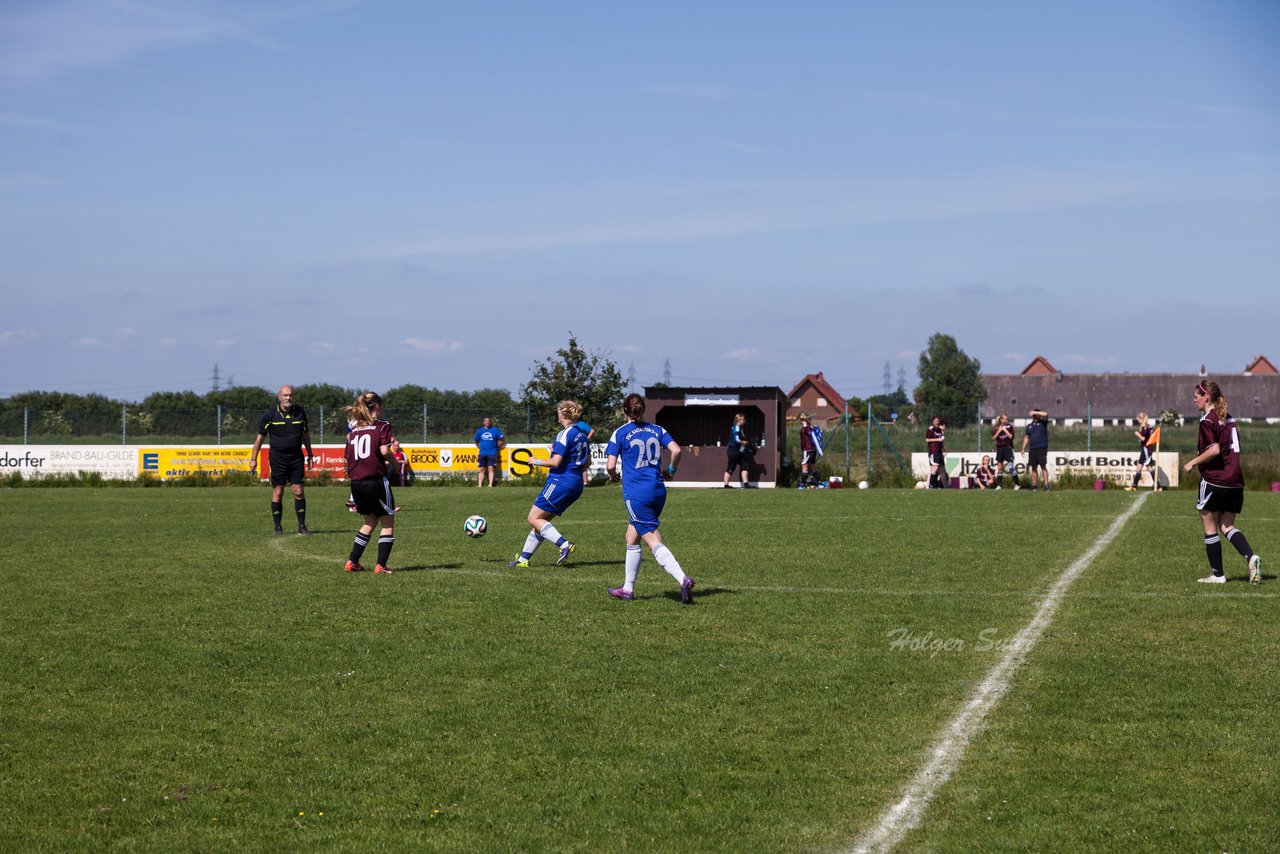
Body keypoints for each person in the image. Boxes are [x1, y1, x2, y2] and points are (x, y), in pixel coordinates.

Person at [605, 393, 695, 604]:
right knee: (632, 536)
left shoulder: (620, 433)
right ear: (643, 410)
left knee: (652, 540)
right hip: (657, 490)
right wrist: (671, 469)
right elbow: (676, 450)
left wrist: (612, 476)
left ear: (625, 411)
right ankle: (627, 589)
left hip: (637, 494)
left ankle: (682, 578)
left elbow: (610, 465)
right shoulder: (657, 430)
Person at [1183, 380, 1262, 584]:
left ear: (1206, 397)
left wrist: (1192, 462)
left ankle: (1217, 575)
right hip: (1235, 481)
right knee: (1227, 526)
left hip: (1214, 480)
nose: (1194, 400)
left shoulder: (1207, 421)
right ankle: (1251, 557)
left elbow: (1215, 450)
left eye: (1196, 396)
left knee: (1210, 528)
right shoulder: (1228, 418)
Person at [505, 401, 591, 568]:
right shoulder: (582, 435)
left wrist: (535, 461)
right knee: (541, 521)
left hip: (561, 482)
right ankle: (523, 559)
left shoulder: (565, 434)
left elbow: (556, 462)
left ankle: (564, 545)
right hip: (576, 484)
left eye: (558, 413)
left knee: (533, 518)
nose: (557, 417)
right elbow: (587, 463)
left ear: (563, 415)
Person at [342, 391, 398, 574]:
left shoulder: (354, 430)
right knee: (387, 522)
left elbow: (347, 456)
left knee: (369, 521)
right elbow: (383, 451)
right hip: (375, 480)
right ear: (377, 407)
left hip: (356, 482)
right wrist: (395, 462)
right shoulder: (382, 426)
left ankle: (352, 562)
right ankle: (381, 565)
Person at [249, 385, 314, 535]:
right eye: (285, 395)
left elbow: (305, 435)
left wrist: (310, 454)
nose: (288, 398)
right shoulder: (270, 414)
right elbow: (259, 438)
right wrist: (253, 459)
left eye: (290, 395)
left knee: (298, 490)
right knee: (278, 491)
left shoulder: (300, 413)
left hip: (296, 457)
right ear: (279, 397)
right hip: (278, 458)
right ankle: (277, 527)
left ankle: (302, 526)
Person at [1021, 408, 1050, 491]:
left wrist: (1036, 411)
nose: (1035, 415)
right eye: (1034, 414)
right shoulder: (1029, 426)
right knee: (1033, 467)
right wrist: (1023, 448)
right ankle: (1034, 485)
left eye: (1037, 414)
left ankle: (1046, 485)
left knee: (1043, 466)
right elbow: (1026, 437)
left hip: (1042, 447)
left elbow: (1046, 414)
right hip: (1032, 448)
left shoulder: (1043, 423)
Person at [1127, 412, 1158, 491]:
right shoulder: (1149, 427)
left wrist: (1137, 434)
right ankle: (1134, 486)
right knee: (1139, 467)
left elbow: (1143, 438)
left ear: (1142, 419)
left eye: (1138, 420)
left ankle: (1158, 485)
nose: (1138, 422)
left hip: (1146, 449)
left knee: (1149, 467)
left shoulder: (1145, 427)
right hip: (1146, 449)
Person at [473, 416, 506, 487]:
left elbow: (501, 440)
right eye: (486, 421)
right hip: (482, 453)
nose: (487, 422)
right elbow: (476, 441)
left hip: (492, 452)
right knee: (481, 469)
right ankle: (480, 485)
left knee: (491, 468)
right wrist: (479, 447)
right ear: (483, 422)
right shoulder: (480, 431)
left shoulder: (495, 430)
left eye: (488, 421)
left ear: (490, 422)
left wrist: (497, 447)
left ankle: (490, 484)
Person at [991, 413, 1020, 490]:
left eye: (1007, 419)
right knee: (1000, 467)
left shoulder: (1010, 427)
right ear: (1001, 419)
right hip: (1000, 448)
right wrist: (999, 431)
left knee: (1010, 467)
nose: (1006, 420)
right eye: (1004, 419)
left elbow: (1011, 437)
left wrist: (1004, 430)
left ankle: (1017, 484)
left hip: (1008, 448)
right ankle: (999, 485)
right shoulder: (997, 428)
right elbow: (993, 438)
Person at [723, 412, 752, 488]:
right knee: (731, 467)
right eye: (742, 420)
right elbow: (736, 439)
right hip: (733, 451)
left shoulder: (737, 428)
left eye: (743, 420)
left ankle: (746, 484)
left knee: (745, 465)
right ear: (738, 420)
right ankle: (726, 485)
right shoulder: (736, 427)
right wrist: (743, 442)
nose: (744, 421)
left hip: (739, 451)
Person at [926, 415, 947, 488]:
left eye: (937, 421)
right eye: (935, 421)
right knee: (935, 468)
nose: (936, 422)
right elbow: (927, 440)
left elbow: (941, 441)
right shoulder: (930, 430)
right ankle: (931, 484)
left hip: (938, 452)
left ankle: (934, 484)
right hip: (933, 451)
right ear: (932, 422)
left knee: (937, 468)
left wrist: (943, 449)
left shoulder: (939, 430)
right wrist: (938, 440)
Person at [798, 413, 818, 489]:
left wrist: (805, 425)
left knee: (804, 466)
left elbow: (809, 432)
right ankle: (818, 482)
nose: (801, 421)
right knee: (812, 467)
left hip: (808, 450)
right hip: (811, 449)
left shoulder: (807, 428)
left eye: (802, 419)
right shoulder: (806, 428)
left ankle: (802, 484)